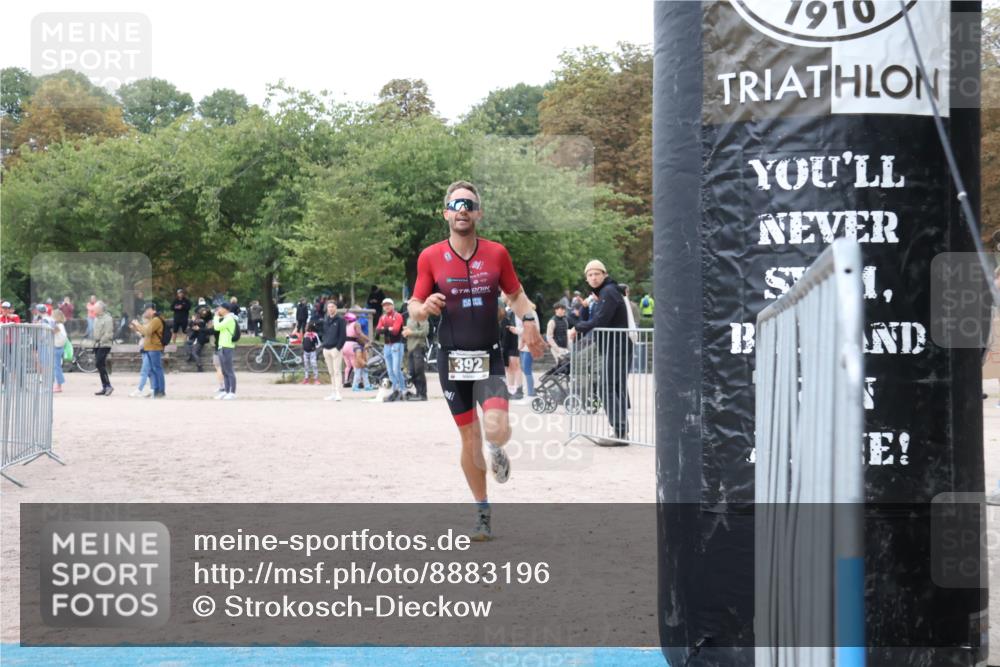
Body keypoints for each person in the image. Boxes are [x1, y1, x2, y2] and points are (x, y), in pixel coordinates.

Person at [409, 180, 545, 541]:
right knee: (469, 438)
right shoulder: (430, 257)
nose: (462, 210)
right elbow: (414, 306)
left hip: (489, 355)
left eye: (468, 204)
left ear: (478, 213)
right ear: (446, 214)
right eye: (456, 205)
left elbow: (516, 296)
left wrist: (530, 319)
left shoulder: (496, 254)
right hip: (451, 360)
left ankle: (496, 447)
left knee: (496, 427)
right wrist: (423, 307)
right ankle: (482, 512)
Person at [572, 260, 632, 446]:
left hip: (617, 347)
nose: (593, 277)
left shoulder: (608, 292)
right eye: (590, 275)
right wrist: (586, 306)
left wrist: (577, 328)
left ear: (604, 274)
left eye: (597, 274)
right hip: (614, 346)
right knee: (615, 387)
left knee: (607, 388)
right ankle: (621, 432)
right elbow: (589, 318)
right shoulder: (603, 293)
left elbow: (600, 321)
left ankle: (620, 432)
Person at [130, 303, 166, 398]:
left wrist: (138, 324)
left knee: (157, 369)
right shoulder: (152, 320)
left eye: (146, 310)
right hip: (149, 348)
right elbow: (144, 333)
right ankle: (155, 390)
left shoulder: (156, 320)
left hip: (154, 348)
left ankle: (161, 391)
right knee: (153, 370)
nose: (145, 312)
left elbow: (147, 332)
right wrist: (137, 327)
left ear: (151, 310)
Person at [376, 298, 406, 402]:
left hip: (397, 344)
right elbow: (377, 331)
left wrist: (384, 329)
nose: (387, 307)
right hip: (387, 345)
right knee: (389, 370)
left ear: (392, 306)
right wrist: (388, 329)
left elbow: (396, 331)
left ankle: (402, 390)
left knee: (396, 369)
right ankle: (395, 390)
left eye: (388, 304)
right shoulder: (382, 317)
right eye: (384, 305)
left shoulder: (398, 316)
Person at [320, 300, 346, 401]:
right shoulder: (326, 319)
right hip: (326, 348)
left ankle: (338, 393)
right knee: (331, 372)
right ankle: (333, 392)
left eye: (332, 306)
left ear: (336, 308)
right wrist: (323, 344)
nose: (330, 308)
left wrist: (338, 348)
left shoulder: (340, 320)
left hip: (335, 349)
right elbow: (324, 333)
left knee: (337, 371)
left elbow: (343, 336)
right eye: (329, 307)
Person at [212, 302, 238, 400]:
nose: (218, 310)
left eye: (220, 308)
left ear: (225, 309)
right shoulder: (225, 318)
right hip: (222, 346)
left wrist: (216, 317)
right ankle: (226, 391)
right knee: (224, 371)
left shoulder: (229, 319)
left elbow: (217, 327)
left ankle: (232, 392)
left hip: (227, 346)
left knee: (229, 370)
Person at [403, 310, 429, 401]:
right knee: (412, 372)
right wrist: (406, 331)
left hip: (418, 347)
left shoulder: (421, 317)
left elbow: (425, 332)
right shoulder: (409, 319)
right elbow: (410, 331)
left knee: (419, 371)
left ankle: (423, 394)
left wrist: (411, 332)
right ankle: (418, 393)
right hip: (410, 348)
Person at [343, 313, 373, 391]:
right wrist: (368, 339)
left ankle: (346, 380)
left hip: (345, 345)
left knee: (348, 366)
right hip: (352, 345)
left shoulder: (347, 325)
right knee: (357, 366)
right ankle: (358, 383)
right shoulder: (356, 324)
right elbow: (360, 334)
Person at [499, 303, 523, 399]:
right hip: (509, 346)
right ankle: (511, 390)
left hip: (512, 345)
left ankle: (519, 390)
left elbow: (505, 335)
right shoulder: (505, 316)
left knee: (515, 368)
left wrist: (502, 347)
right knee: (510, 369)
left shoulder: (507, 317)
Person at [129, 309, 154, 397]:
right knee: (149, 372)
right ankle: (152, 389)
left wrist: (137, 325)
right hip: (144, 350)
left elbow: (145, 333)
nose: (143, 321)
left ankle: (140, 389)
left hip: (148, 351)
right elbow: (142, 335)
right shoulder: (145, 326)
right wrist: (135, 329)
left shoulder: (150, 326)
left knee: (144, 371)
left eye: (144, 319)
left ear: (148, 319)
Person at [92, 300, 114, 396]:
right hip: (97, 345)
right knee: (100, 365)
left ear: (100, 309)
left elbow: (108, 333)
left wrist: (101, 342)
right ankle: (105, 386)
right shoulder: (96, 319)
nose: (93, 310)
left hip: (105, 345)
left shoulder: (108, 319)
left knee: (99, 363)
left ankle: (108, 386)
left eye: (95, 308)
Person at [186, 306, 211, 372]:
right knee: (188, 344)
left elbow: (193, 326)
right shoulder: (200, 322)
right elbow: (192, 328)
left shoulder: (201, 322)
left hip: (200, 340)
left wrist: (193, 321)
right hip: (198, 339)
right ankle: (190, 356)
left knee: (194, 352)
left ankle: (199, 365)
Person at [51, 310, 68, 393]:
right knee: (57, 367)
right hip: (59, 348)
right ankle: (58, 384)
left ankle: (59, 385)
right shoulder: (61, 325)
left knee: (57, 367)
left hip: (57, 348)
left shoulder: (58, 326)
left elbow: (53, 331)